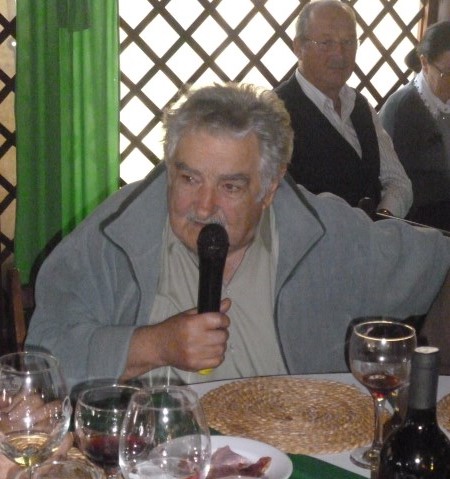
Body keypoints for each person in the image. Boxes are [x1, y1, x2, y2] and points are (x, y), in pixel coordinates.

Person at [25, 82, 450, 393]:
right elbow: (43, 356)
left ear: (269, 187)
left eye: (230, 186)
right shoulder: (116, 234)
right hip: (155, 464)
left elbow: (438, 264)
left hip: (299, 464)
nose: (203, 206)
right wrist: (155, 345)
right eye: (189, 178)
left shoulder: (325, 235)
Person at [275, 0, 412, 218]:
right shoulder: (275, 113)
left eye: (348, 42)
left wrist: (382, 218)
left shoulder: (360, 105)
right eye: (326, 42)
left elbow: (398, 181)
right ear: (298, 47)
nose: (339, 53)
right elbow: (273, 202)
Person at [379, 21, 450, 231]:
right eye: (448, 74)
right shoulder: (403, 108)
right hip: (418, 222)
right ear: (424, 63)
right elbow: (396, 182)